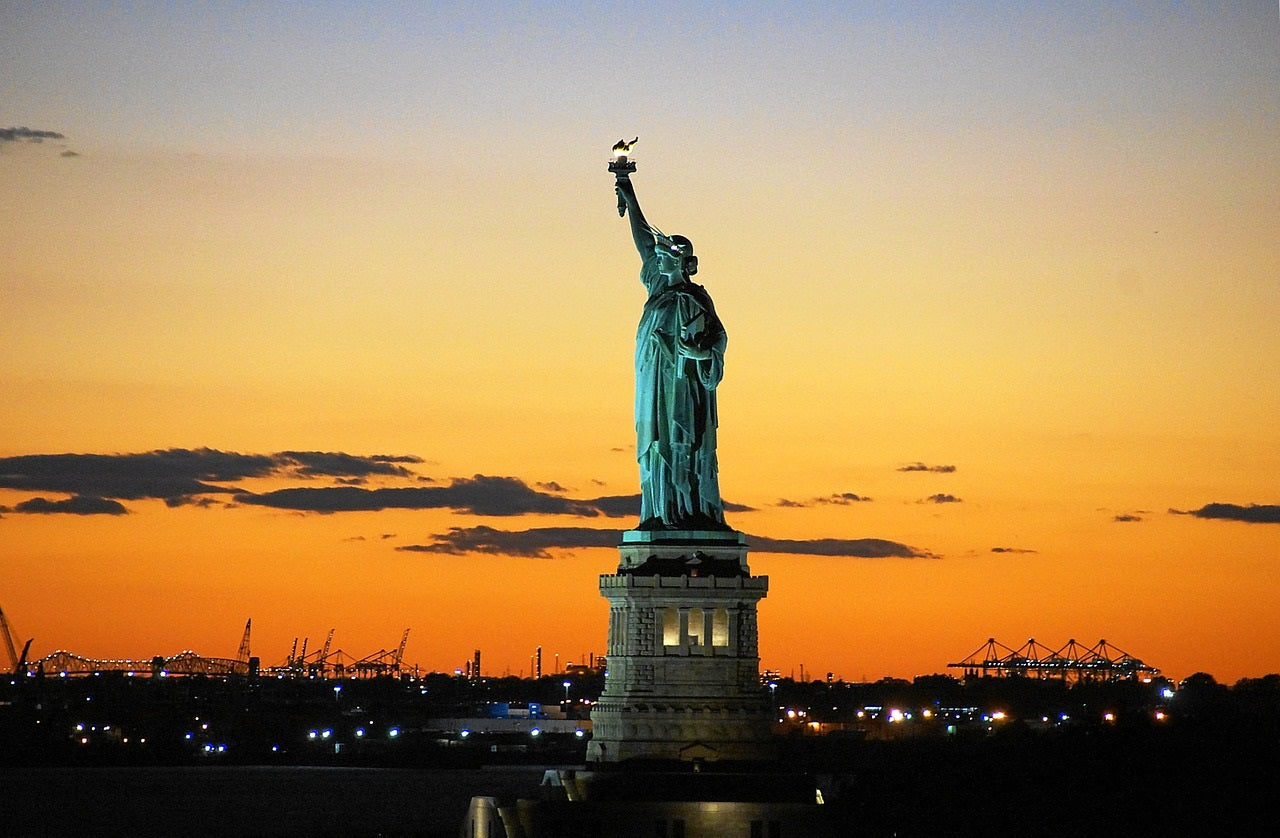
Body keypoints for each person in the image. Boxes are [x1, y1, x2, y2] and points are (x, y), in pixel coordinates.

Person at [615, 175, 728, 530]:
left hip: (682, 388)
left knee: (681, 442)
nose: (657, 260)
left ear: (680, 263)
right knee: (654, 443)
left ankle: (685, 509)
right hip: (652, 382)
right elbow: (644, 243)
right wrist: (628, 192)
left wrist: (698, 355)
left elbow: (719, 338)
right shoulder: (658, 287)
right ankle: (657, 510)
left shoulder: (694, 299)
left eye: (664, 257)